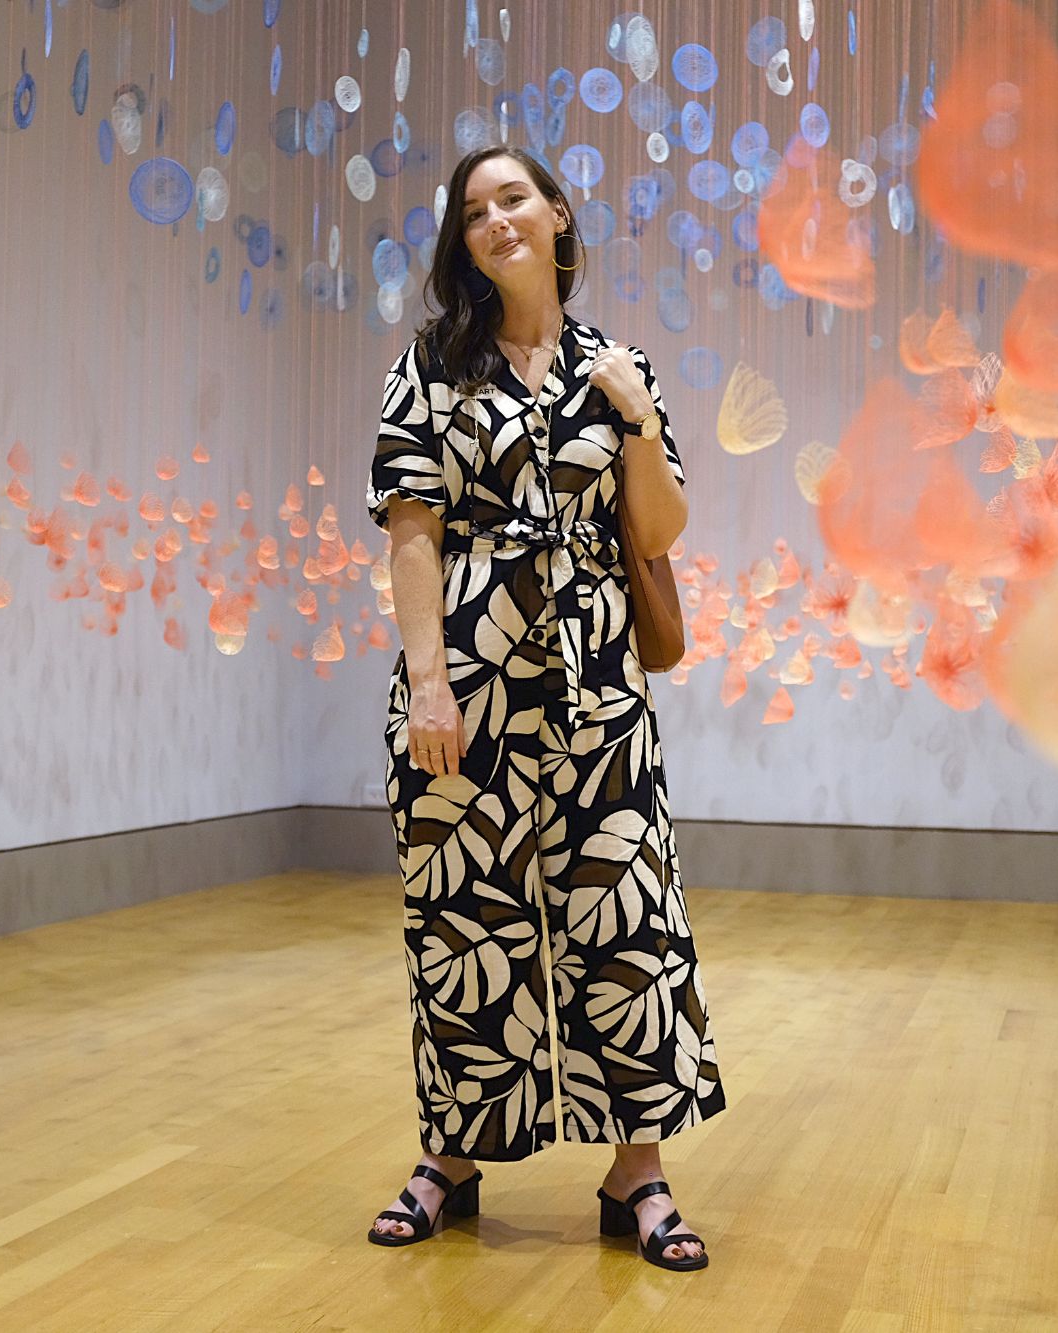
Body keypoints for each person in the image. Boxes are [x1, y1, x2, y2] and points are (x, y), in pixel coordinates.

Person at [363, 145, 726, 1272]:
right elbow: (411, 530)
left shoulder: (616, 368)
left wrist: (640, 424)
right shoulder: (430, 366)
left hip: (597, 687)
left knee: (628, 922)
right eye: (473, 210)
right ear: (460, 241)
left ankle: (639, 1171)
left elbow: (656, 537)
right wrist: (427, 678)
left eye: (512, 198)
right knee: (462, 918)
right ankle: (451, 1157)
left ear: (558, 216)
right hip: (463, 685)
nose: (493, 220)